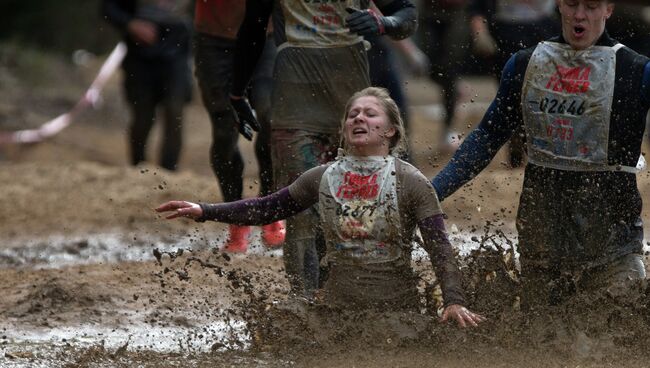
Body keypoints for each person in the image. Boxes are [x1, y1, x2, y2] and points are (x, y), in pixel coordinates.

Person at [157, 87, 484, 326]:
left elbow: (440, 248)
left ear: (391, 130)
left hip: (396, 312)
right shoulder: (323, 177)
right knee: (278, 325)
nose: (358, 118)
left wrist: (454, 302)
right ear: (343, 130)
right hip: (336, 309)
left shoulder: (411, 182)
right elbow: (266, 208)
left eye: (370, 114)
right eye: (352, 114)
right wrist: (205, 210)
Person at [432, 0, 650, 306]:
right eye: (572, 4)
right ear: (558, 5)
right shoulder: (525, 63)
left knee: (620, 329)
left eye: (590, 6)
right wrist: (434, 192)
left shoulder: (637, 70)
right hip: (543, 237)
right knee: (544, 336)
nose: (579, 14)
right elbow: (488, 136)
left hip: (614, 240)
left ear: (608, 9)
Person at [228, 0, 418, 297]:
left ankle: (362, 295)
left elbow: (407, 15)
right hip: (295, 101)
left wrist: (384, 24)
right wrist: (238, 92)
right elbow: (253, 28)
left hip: (351, 104)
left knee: (358, 207)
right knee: (302, 209)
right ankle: (307, 304)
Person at [193, 1, 284, 253]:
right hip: (214, 41)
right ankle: (236, 218)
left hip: (263, 36)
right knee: (224, 131)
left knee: (272, 119)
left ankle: (270, 207)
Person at [101, 0, 192, 171]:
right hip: (139, 53)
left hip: (177, 48)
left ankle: (169, 169)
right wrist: (130, 24)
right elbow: (108, 8)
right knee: (142, 114)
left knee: (175, 110)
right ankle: (138, 165)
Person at [468, 0, 560, 167]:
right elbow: (476, 7)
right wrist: (480, 32)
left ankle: (542, 149)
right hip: (507, 32)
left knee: (546, 95)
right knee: (513, 96)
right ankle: (517, 142)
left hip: (544, 29)